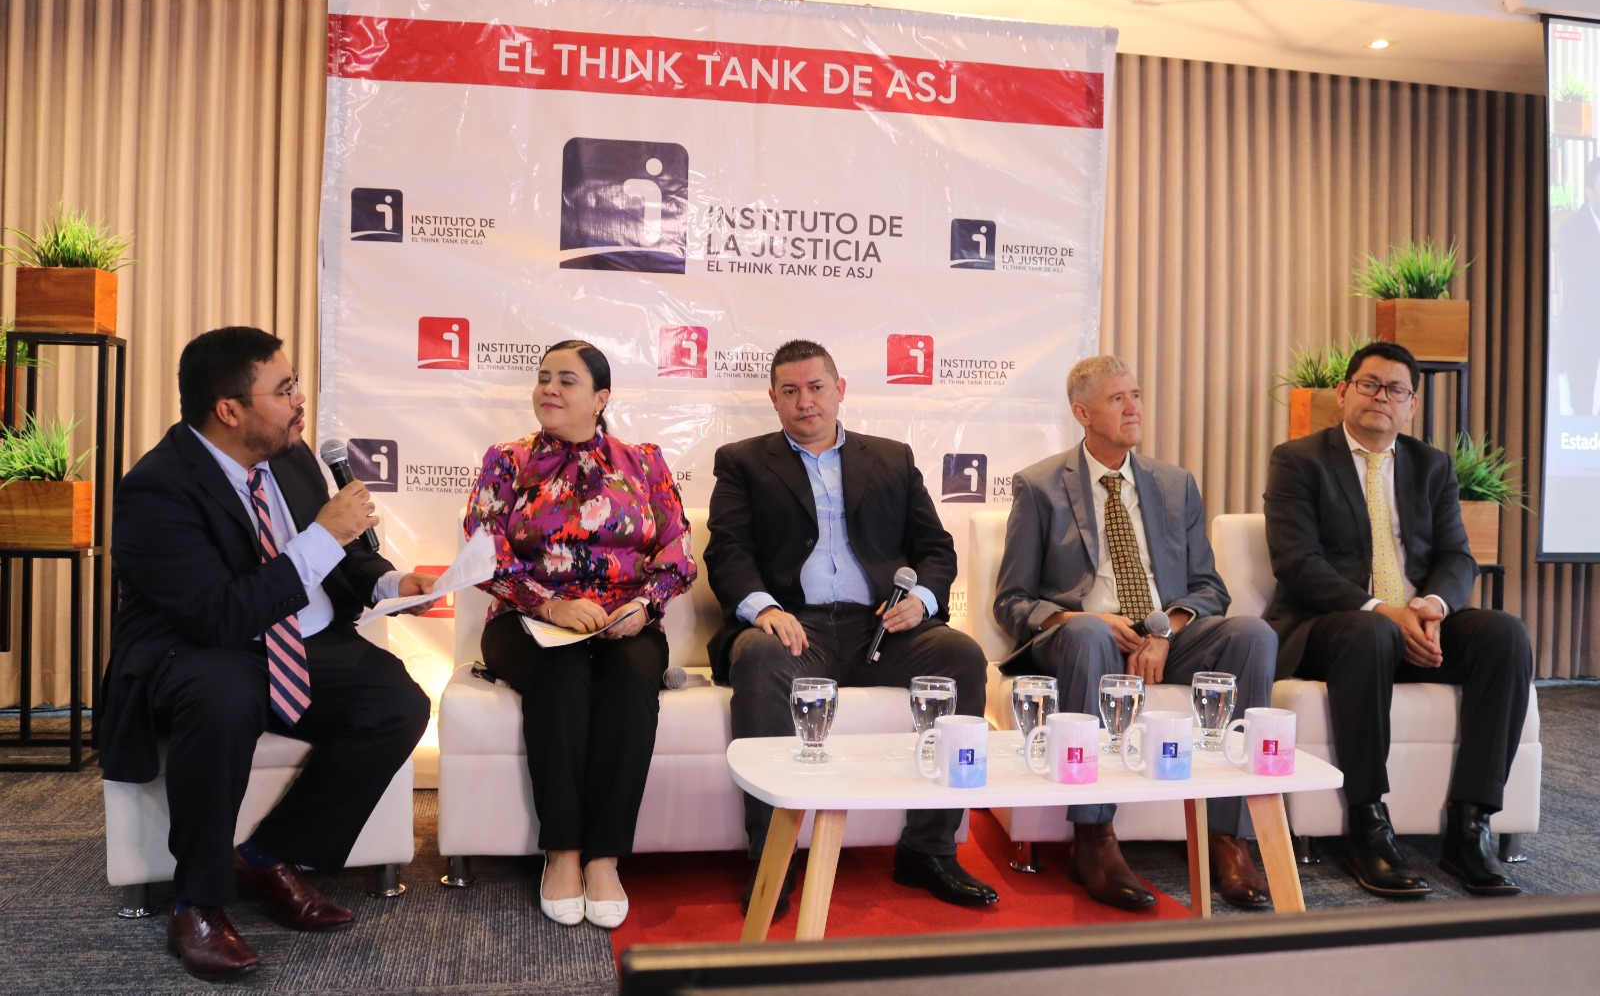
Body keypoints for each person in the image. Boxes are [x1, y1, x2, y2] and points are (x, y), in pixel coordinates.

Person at [100, 327, 434, 982]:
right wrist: (323, 537)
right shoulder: (156, 490)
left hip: (302, 640)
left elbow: (345, 558)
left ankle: (266, 857)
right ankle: (197, 903)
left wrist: (392, 585)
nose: (299, 400)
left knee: (396, 702)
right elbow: (218, 616)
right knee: (223, 697)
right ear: (229, 410)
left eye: (295, 384)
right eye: (283, 390)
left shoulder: (289, 453)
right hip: (199, 650)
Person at [705, 338, 998, 917]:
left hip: (882, 627)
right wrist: (765, 610)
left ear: (839, 390)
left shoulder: (891, 458)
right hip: (796, 627)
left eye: (816, 388)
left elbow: (936, 549)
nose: (805, 402)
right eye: (790, 391)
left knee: (961, 656)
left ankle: (929, 851)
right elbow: (728, 551)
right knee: (758, 658)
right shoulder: (742, 461)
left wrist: (922, 600)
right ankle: (773, 860)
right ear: (773, 398)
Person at [993, 355, 1278, 911]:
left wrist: (1165, 632)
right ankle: (1093, 837)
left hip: (1162, 631)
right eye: (1117, 398)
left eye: (1137, 395)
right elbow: (1012, 601)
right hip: (1084, 637)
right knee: (1090, 637)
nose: (1134, 408)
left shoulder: (1175, 484)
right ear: (1082, 413)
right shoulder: (1040, 486)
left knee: (1253, 635)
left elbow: (1208, 587)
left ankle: (1228, 836)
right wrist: (1077, 619)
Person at [1263, 340, 1532, 898]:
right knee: (1371, 632)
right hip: (1333, 627)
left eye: (1396, 390)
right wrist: (1384, 612)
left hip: (1414, 622)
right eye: (1369, 384)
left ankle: (1471, 824)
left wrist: (1431, 608)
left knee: (1504, 634)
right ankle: (1367, 824)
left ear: (1411, 405)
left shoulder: (1431, 466)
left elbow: (1457, 557)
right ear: (1344, 392)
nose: (1381, 397)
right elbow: (1297, 563)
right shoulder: (1299, 460)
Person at [464, 340, 696, 930]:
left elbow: (678, 552)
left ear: (600, 398)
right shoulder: (507, 460)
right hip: (525, 621)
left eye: (566, 380)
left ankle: (604, 857)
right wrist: (549, 605)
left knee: (631, 680)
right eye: (543, 377)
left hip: (624, 621)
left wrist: (645, 605)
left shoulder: (644, 462)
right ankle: (563, 852)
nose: (549, 388)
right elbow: (482, 556)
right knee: (563, 674)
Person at [1556, 157, 1600, 415]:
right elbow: (1576, 285)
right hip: (1583, 332)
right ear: (1590, 193)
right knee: (1583, 410)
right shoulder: (1571, 230)